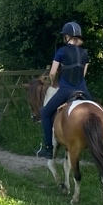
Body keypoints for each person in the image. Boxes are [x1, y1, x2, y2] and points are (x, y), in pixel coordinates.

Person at [35, 21, 90, 158]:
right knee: (96, 114)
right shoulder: (85, 54)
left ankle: (48, 147)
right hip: (83, 89)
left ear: (67, 37)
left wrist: (53, 83)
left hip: (65, 89)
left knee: (45, 113)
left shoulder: (61, 51)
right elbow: (83, 74)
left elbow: (52, 73)